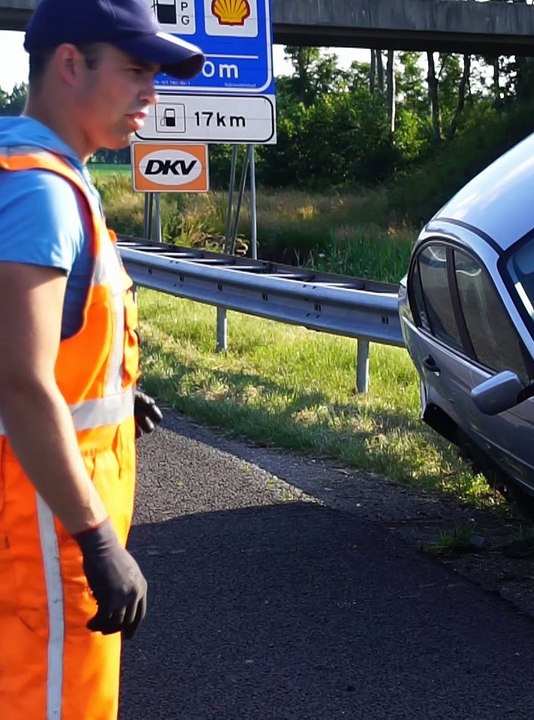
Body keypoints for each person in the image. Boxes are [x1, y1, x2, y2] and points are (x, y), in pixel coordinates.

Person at [0, 1, 202, 717]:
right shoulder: (40, 195)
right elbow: (21, 383)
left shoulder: (28, 170)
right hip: (42, 539)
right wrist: (95, 540)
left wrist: (111, 387)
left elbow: (47, 347)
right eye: (136, 70)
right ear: (68, 63)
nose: (152, 93)